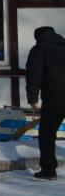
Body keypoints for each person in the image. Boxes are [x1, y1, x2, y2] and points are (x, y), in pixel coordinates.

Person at [25, 26, 65, 180]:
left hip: (54, 99)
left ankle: (48, 171)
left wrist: (33, 99)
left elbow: (33, 76)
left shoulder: (39, 49)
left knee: (47, 135)